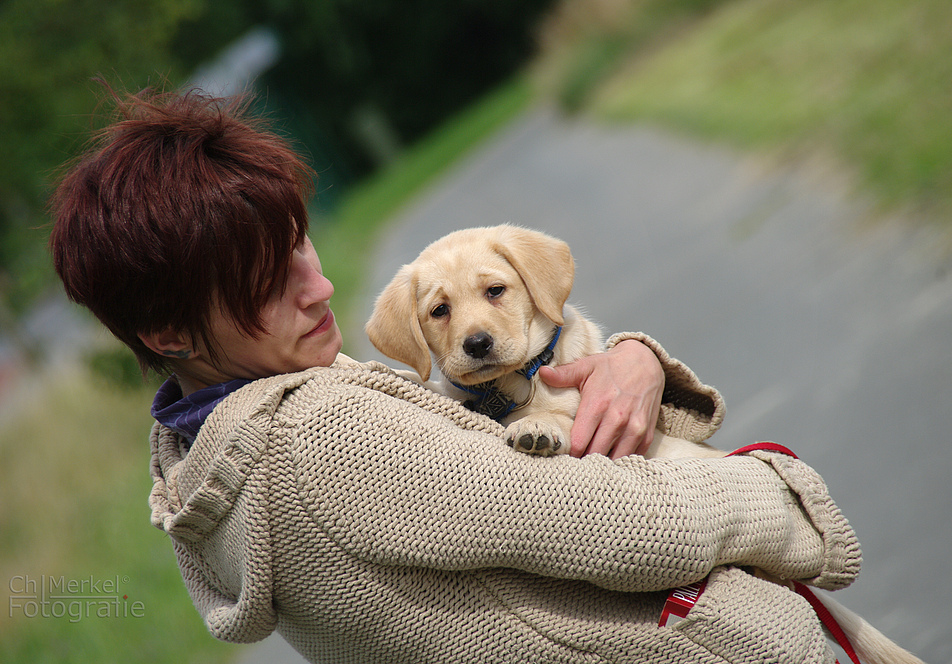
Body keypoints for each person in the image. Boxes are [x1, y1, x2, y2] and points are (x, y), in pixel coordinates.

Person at [49, 87, 860, 663]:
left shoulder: (212, 455)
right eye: (268, 281)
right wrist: (782, 492)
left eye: (300, 243)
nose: (320, 286)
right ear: (167, 330)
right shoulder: (318, 438)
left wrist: (633, 360)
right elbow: (633, 529)